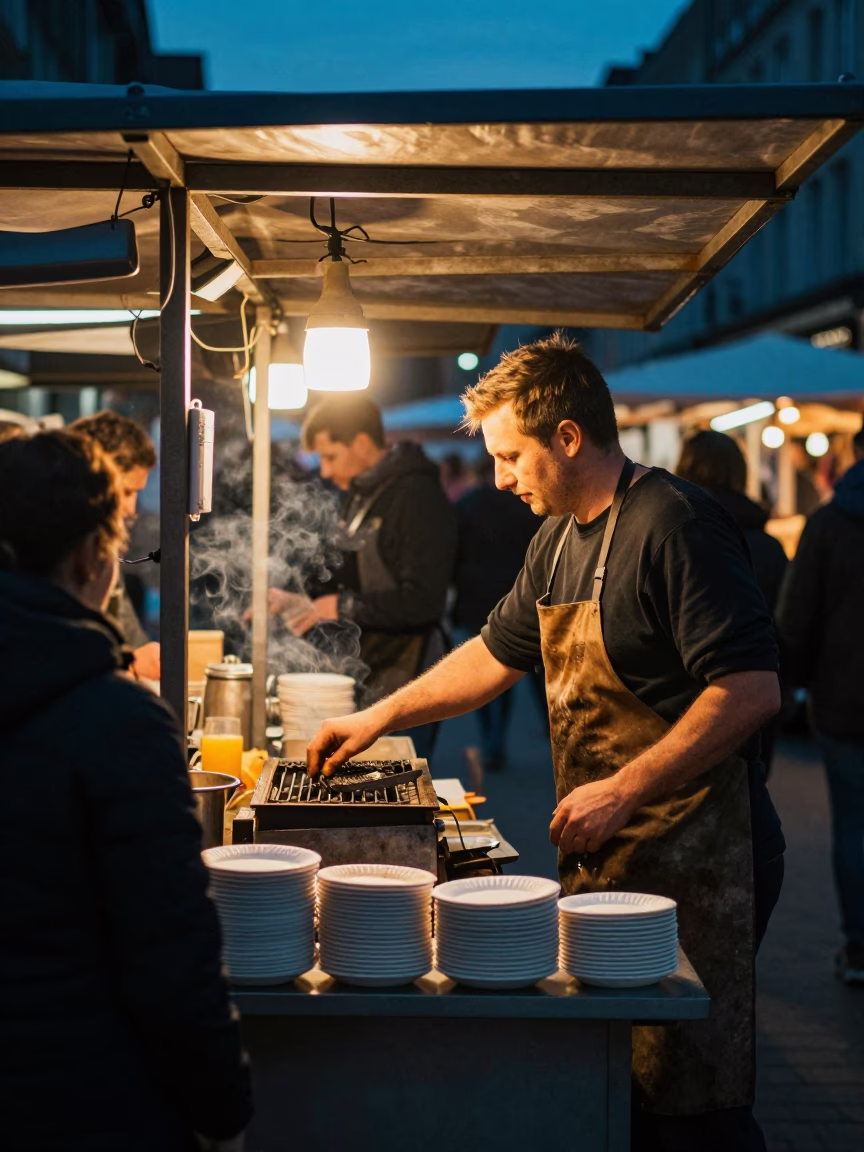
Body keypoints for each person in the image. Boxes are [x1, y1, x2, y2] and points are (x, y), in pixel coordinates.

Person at [308, 334, 785, 1152]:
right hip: (610, 852)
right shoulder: (557, 540)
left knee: (694, 1098)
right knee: (620, 1078)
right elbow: (492, 657)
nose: (499, 478)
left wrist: (624, 788)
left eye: (510, 456)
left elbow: (751, 690)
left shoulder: (675, 524)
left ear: (567, 436)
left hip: (702, 855)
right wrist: (379, 717)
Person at [0, 430, 251, 1152]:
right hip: (83, 1102)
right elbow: (172, 961)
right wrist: (223, 1111)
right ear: (91, 554)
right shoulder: (121, 722)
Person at [269, 396, 457, 757]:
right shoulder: (359, 495)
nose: (323, 472)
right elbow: (344, 573)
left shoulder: (418, 497)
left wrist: (341, 605)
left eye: (330, 457)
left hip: (409, 673)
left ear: (362, 444)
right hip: (369, 669)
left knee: (396, 779)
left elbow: (423, 601)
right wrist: (299, 599)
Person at [775, 421, 864, 985]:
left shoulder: (830, 523)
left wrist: (792, 685)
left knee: (854, 826)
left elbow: (798, 615)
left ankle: (859, 948)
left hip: (845, 698)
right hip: (841, 697)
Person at [676, 428, 788, 771]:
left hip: (686, 707)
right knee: (749, 801)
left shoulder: (676, 536)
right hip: (757, 698)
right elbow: (785, 622)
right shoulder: (768, 547)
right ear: (739, 472)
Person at [452, 453, 543, 768]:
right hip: (525, 596)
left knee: (490, 674)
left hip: (478, 597)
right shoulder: (527, 506)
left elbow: (455, 552)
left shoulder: (468, 504)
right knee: (539, 673)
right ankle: (555, 734)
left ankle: (493, 739)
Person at [72, 409, 161, 682]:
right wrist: (129, 665)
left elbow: (133, 642)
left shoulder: (103, 552)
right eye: (126, 491)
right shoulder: (47, 556)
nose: (132, 508)